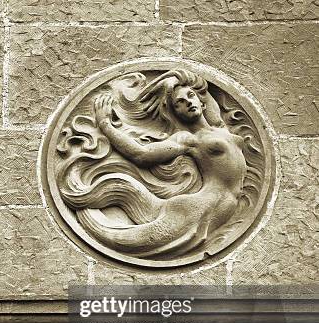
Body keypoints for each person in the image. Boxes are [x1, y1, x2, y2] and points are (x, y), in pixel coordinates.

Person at [62, 69, 247, 257]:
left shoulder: (219, 126)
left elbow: (202, 87)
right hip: (200, 207)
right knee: (129, 240)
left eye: (190, 96)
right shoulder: (189, 139)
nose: (189, 102)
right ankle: (83, 202)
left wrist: (174, 80)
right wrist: (105, 125)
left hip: (221, 206)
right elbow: (142, 154)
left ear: (201, 102)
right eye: (179, 103)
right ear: (175, 113)